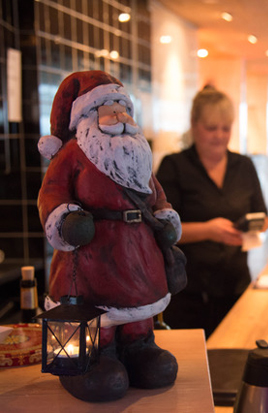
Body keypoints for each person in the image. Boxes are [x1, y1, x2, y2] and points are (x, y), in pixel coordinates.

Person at [37, 71, 183, 401]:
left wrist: (164, 214)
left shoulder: (137, 152)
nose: (118, 114)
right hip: (93, 258)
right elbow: (52, 193)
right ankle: (97, 358)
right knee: (99, 314)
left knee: (138, 313)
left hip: (139, 254)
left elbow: (155, 192)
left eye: (122, 106)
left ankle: (139, 347)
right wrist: (65, 220)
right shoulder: (72, 154)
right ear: (85, 115)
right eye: (107, 106)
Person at [156, 86, 268, 338]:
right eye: (211, 128)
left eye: (226, 128)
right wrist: (209, 230)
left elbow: (263, 216)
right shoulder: (174, 166)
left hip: (236, 286)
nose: (219, 135)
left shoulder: (244, 165)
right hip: (189, 291)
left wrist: (250, 227)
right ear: (194, 125)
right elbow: (162, 230)